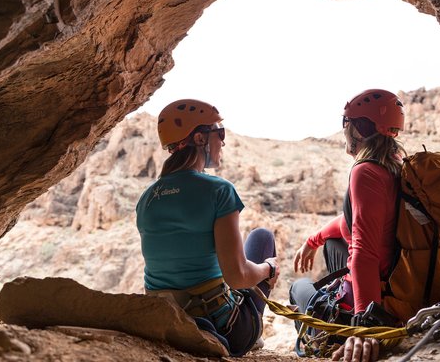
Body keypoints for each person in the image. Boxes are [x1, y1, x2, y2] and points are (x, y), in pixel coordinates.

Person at [136, 99, 279, 356]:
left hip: (166, 320)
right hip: (222, 328)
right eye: (219, 133)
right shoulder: (219, 190)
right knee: (262, 238)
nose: (222, 141)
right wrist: (268, 268)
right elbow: (237, 277)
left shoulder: (147, 198)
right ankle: (251, 333)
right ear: (200, 138)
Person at [290, 89, 406, 362]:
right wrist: (313, 240)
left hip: (376, 303)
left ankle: (335, 331)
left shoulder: (365, 171)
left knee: (299, 287)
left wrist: (365, 327)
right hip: (398, 283)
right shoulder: (393, 165)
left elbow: (364, 252)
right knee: (332, 242)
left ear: (360, 128)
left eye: (348, 123)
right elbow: (353, 221)